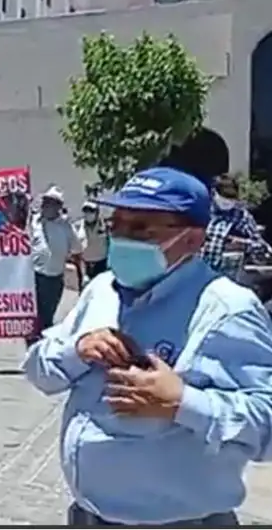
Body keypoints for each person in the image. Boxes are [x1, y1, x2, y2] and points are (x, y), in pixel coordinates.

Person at [22, 166, 272, 526]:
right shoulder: (102, 289)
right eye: (117, 224)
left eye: (141, 228)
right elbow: (38, 371)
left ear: (192, 239)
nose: (122, 238)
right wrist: (76, 350)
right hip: (87, 516)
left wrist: (182, 402)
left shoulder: (228, 309)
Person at [26, 185, 82, 347]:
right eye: (45, 202)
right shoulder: (33, 222)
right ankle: (32, 345)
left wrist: (80, 275)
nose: (47, 206)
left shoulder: (66, 226)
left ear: (58, 207)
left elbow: (77, 250)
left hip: (55, 278)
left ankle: (41, 347)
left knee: (47, 316)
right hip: (34, 276)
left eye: (51, 203)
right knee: (34, 316)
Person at [201, 173, 272, 279]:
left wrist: (243, 244)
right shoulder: (202, 211)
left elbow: (262, 247)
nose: (228, 202)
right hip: (200, 271)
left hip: (228, 276)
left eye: (232, 198)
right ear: (214, 193)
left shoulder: (242, 216)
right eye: (225, 197)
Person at [74, 201, 108, 286]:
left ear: (97, 212)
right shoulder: (77, 225)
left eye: (91, 211)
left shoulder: (104, 226)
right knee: (84, 289)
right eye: (86, 211)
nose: (88, 213)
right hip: (85, 264)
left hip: (101, 263)